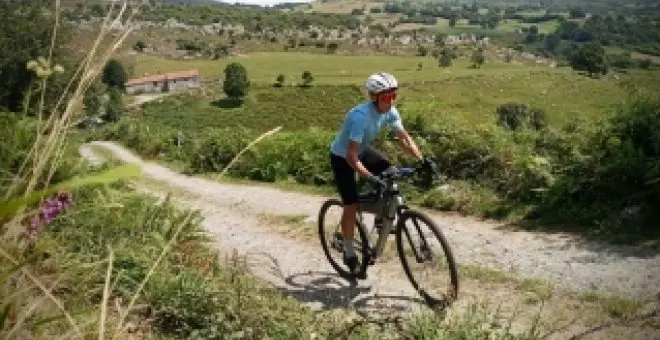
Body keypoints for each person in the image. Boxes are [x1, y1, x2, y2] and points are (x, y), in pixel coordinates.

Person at [328, 72, 433, 278]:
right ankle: (348, 250)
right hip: (343, 157)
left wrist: (422, 160)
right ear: (374, 97)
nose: (391, 101)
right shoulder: (360, 117)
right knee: (350, 204)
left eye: (395, 95)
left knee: (388, 169)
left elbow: (404, 139)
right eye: (386, 97)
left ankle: (379, 217)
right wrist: (369, 176)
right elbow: (351, 155)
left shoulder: (391, 112)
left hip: (361, 150)